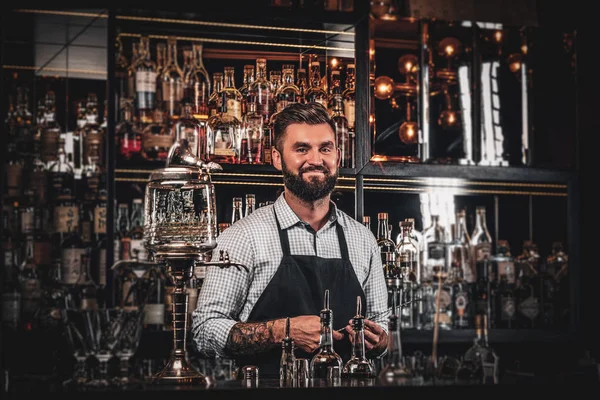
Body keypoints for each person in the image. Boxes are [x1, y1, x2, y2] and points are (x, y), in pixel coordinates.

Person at [191, 102, 389, 377]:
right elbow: (204, 331)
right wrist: (283, 331)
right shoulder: (242, 236)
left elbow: (382, 328)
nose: (316, 159)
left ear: (338, 155)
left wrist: (379, 341)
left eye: (325, 148)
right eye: (301, 149)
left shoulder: (363, 239)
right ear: (276, 158)